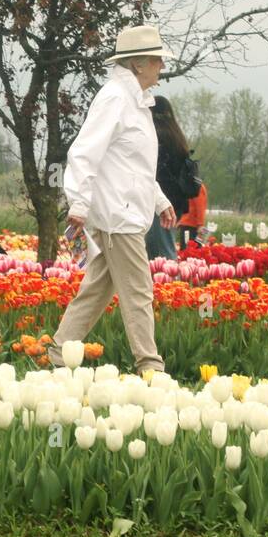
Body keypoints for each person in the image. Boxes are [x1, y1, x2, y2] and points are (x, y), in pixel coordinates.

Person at [48, 24, 177, 375]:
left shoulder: (135, 102)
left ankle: (58, 354)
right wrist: (78, 202)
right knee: (139, 291)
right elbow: (85, 153)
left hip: (124, 210)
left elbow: (132, 165)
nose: (161, 67)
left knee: (97, 290)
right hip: (117, 214)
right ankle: (150, 366)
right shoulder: (116, 98)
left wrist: (159, 200)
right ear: (137, 64)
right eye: (156, 60)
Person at [145, 95, 199, 260]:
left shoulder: (155, 136)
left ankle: (169, 284)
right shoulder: (176, 136)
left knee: (161, 253)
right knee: (163, 247)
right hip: (176, 204)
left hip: (159, 203)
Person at [177, 182, 208, 249]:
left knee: (187, 251)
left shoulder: (189, 186)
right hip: (190, 226)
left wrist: (200, 224)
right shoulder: (195, 186)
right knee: (192, 251)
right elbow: (199, 206)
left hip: (189, 226)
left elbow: (199, 206)